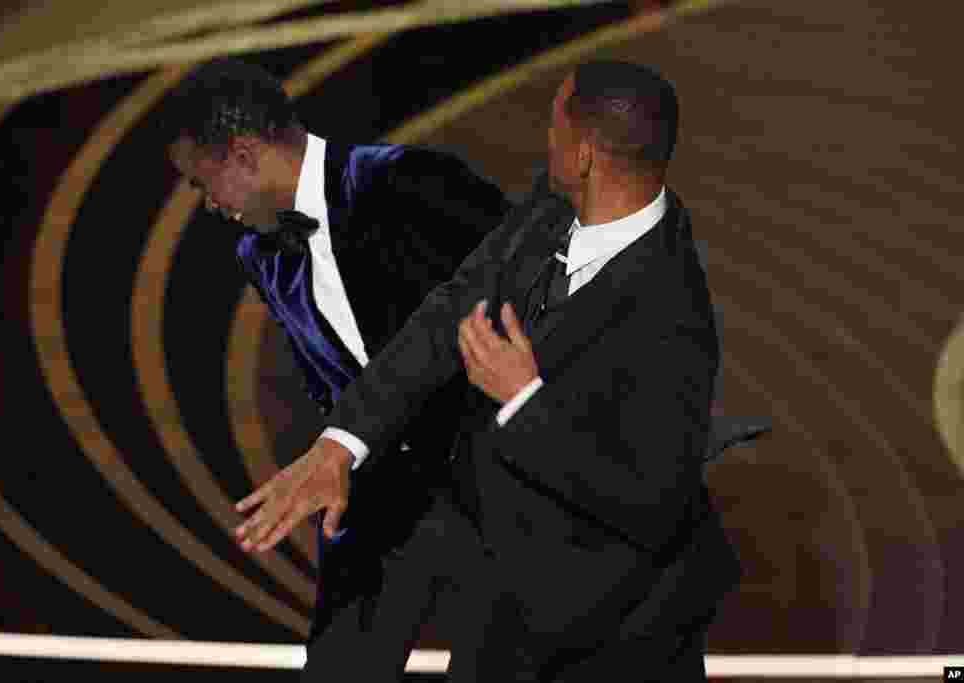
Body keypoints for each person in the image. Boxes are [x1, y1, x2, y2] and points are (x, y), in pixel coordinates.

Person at [235, 60, 742, 681]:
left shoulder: (674, 315)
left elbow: (650, 498)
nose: (544, 135)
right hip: (508, 599)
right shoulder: (552, 207)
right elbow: (448, 311)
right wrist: (341, 446)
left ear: (585, 156)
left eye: (554, 123)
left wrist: (525, 400)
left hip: (613, 630)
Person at [161, 57, 511, 681]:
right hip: (374, 492)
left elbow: (528, 303)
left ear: (243, 155)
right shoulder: (259, 255)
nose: (206, 205)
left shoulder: (411, 182)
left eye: (199, 183)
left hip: (494, 484)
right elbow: (334, 381)